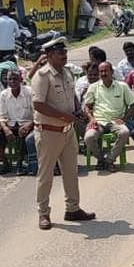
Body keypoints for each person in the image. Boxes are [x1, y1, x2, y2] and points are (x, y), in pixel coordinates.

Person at [31, 37, 95, 230]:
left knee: (71, 172)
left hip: (67, 131)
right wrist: (64, 116)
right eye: (60, 53)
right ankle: (43, 213)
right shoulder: (42, 76)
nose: (64, 56)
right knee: (46, 175)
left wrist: (77, 110)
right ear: (49, 55)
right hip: (49, 131)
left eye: (65, 52)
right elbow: (38, 104)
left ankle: (73, 208)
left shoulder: (67, 73)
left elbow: (72, 95)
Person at [0, 68, 37, 174]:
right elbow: (0, 116)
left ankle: (20, 164)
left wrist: (29, 125)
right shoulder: (4, 94)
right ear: (7, 81)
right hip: (10, 125)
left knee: (23, 133)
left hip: (27, 125)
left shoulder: (29, 92)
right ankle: (5, 162)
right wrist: (6, 129)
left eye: (15, 79)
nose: (13, 81)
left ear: (21, 80)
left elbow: (37, 113)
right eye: (10, 79)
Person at [82, 61, 134, 170]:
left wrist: (124, 119)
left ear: (112, 72)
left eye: (106, 71)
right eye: (101, 71)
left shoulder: (122, 86)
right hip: (99, 121)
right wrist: (91, 119)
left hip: (116, 121)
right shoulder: (93, 87)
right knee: (89, 137)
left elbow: (133, 105)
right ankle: (102, 159)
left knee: (125, 132)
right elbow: (87, 106)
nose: (103, 73)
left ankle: (110, 160)